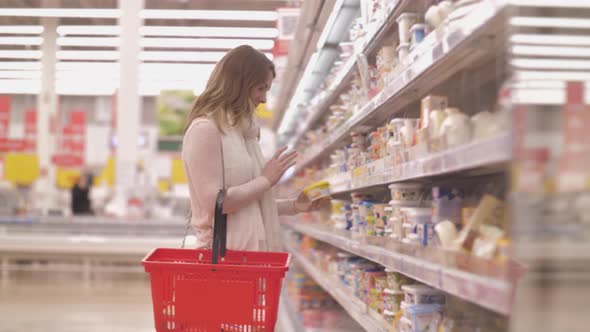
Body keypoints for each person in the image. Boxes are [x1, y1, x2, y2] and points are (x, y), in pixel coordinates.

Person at [182, 45, 327, 251]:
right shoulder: (205, 130)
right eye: (260, 88)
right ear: (238, 84)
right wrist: (265, 179)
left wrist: (293, 205)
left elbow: (246, 208)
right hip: (219, 259)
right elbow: (217, 204)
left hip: (245, 257)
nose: (264, 98)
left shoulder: (242, 134)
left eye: (266, 89)